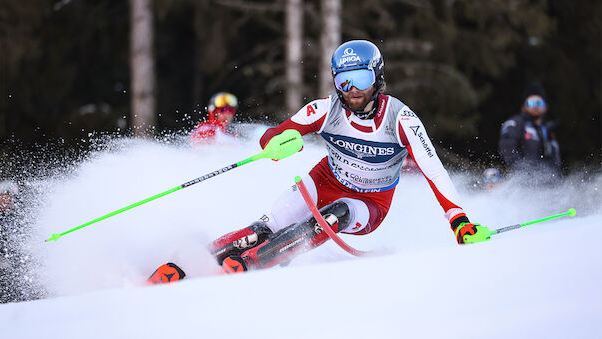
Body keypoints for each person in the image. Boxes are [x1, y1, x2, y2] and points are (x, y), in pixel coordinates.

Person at [148, 40, 490, 283]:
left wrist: (459, 222)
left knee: (333, 215)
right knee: (261, 229)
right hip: (323, 181)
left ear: (378, 78)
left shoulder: (401, 118)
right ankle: (185, 263)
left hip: (368, 203)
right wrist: (280, 143)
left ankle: (253, 264)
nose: (353, 90)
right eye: (344, 81)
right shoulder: (326, 109)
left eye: (362, 80)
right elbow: (274, 134)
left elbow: (434, 170)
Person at [498, 82, 561, 181]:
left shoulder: (547, 130)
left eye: (539, 103)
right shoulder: (515, 124)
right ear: (524, 106)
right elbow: (508, 150)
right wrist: (524, 174)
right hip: (524, 182)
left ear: (546, 107)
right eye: (531, 103)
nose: (535, 106)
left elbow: (554, 161)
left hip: (547, 185)